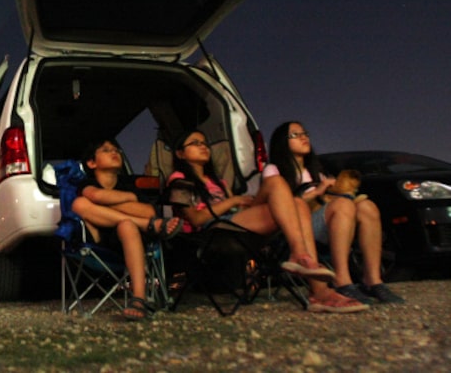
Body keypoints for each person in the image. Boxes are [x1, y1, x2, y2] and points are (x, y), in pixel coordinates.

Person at [167, 129, 368, 313]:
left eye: (204, 143)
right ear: (180, 154)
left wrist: (242, 203)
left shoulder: (219, 181)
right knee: (275, 182)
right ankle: (306, 268)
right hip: (212, 230)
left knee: (297, 203)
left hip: (239, 223)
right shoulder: (179, 179)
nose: (203, 146)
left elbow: (237, 209)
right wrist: (234, 200)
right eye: (195, 143)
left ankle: (317, 287)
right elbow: (195, 218)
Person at [266, 121, 404, 304]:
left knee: (367, 207)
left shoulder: (316, 171)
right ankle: (342, 280)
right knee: (343, 206)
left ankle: (373, 280)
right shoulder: (273, 170)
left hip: (327, 222)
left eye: (304, 133)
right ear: (282, 142)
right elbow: (279, 203)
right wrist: (316, 192)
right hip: (297, 227)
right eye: (295, 135)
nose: (303, 137)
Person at [71, 138, 182, 320]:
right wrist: (129, 201)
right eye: (106, 150)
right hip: (102, 243)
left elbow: (148, 210)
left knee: (127, 225)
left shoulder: (129, 186)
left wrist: (115, 201)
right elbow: (95, 195)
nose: (114, 152)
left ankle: (139, 298)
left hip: (134, 241)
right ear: (92, 163)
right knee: (79, 203)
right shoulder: (87, 184)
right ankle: (146, 225)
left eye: (116, 150)